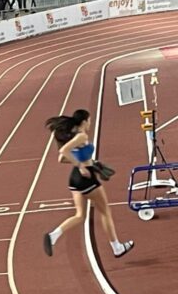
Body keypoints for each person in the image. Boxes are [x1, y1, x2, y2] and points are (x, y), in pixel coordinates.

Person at [43, 109, 134, 258]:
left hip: (74, 179)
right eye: (89, 120)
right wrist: (82, 166)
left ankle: (53, 235)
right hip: (86, 179)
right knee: (105, 212)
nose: (90, 123)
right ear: (84, 121)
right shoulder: (81, 136)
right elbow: (63, 152)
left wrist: (90, 163)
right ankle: (117, 247)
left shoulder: (74, 136)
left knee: (80, 215)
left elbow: (62, 159)